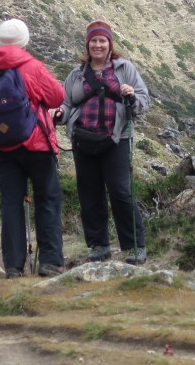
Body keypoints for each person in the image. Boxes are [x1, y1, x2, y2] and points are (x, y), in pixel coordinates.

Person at [0, 18, 65, 278]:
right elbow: (57, 97)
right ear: (24, 41)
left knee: (11, 204)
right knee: (47, 198)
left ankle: (13, 267)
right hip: (37, 145)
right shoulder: (33, 67)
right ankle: (50, 262)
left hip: (2, 150)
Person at [55, 19, 150, 265]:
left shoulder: (124, 69)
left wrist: (132, 96)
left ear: (110, 44)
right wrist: (59, 114)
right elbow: (67, 104)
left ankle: (135, 246)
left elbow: (143, 99)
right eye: (94, 41)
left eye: (102, 41)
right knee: (89, 193)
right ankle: (99, 245)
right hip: (83, 139)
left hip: (117, 139)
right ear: (88, 45)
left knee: (120, 191)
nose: (98, 45)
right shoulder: (76, 74)